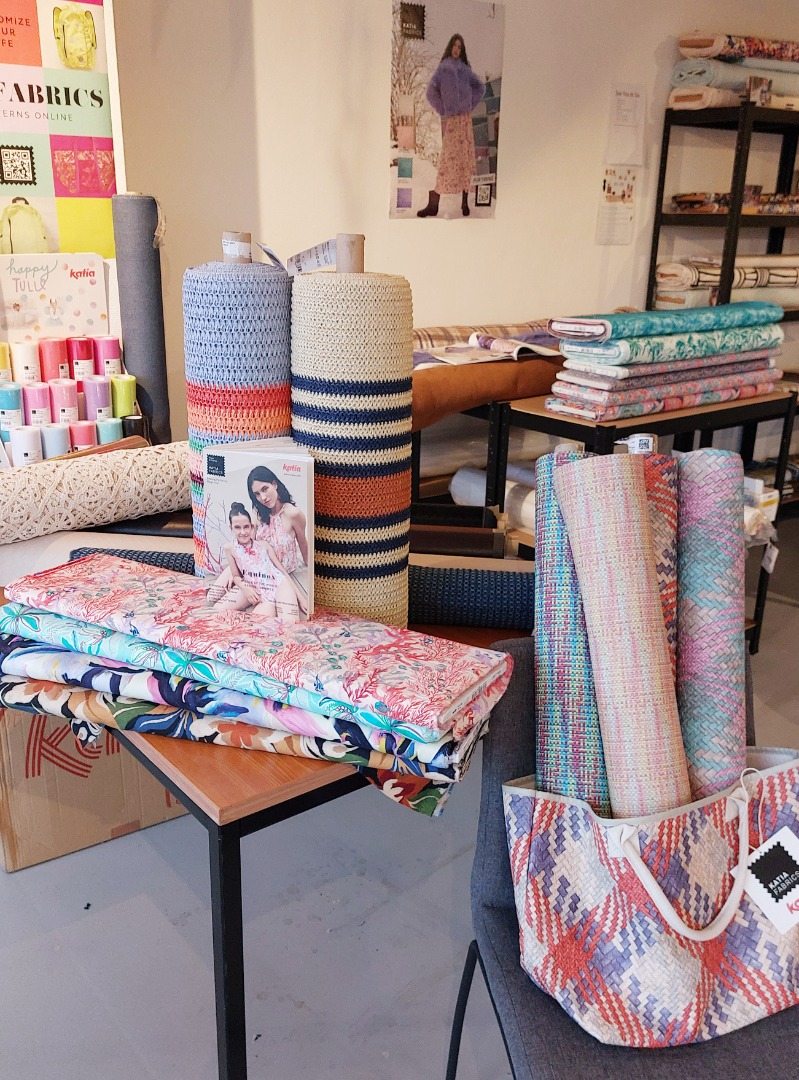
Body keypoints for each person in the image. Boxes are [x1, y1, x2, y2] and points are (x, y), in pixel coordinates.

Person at [417, 34, 485, 219]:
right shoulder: (443, 69)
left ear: (462, 50)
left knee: (465, 159)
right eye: (454, 46)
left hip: (465, 120)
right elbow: (430, 92)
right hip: (452, 120)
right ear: (450, 47)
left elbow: (480, 88)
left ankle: (465, 203)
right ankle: (434, 205)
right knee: (448, 159)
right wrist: (443, 109)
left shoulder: (466, 70)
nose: (456, 49)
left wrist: (469, 104)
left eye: (459, 47)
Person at [213, 502, 307, 622]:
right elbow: (236, 576)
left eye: (246, 527)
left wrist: (301, 598)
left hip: (276, 585)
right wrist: (245, 588)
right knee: (216, 610)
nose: (243, 532)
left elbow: (282, 572)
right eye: (237, 527)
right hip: (253, 585)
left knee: (284, 623)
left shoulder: (264, 545)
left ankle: (276, 607)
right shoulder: (229, 548)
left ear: (252, 527)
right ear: (231, 528)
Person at [247, 465, 309, 577]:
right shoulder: (258, 513)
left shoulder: (292, 513)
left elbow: (302, 542)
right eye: (257, 494)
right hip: (260, 571)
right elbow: (250, 546)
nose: (263, 497)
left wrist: (308, 566)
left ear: (274, 484)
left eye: (265, 489)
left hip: (283, 575)